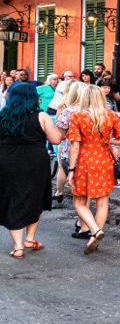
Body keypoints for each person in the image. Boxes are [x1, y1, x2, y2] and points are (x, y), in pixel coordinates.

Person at [0, 84, 63, 258]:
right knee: (36, 196)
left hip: (7, 159)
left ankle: (18, 246)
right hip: (35, 160)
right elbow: (56, 139)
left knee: (12, 198)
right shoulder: (41, 116)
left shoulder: (2, 116)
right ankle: (30, 238)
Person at [67, 85, 120, 255]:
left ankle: (94, 230)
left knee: (79, 201)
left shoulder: (78, 117)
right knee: (102, 202)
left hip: (85, 161)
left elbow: (74, 145)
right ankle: (93, 238)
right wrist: (108, 143)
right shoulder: (111, 115)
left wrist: (71, 170)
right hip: (105, 161)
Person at [53, 80, 83, 205]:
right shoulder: (94, 111)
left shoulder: (67, 109)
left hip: (70, 147)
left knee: (63, 168)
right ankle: (83, 217)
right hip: (91, 150)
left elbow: (61, 133)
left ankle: (59, 192)